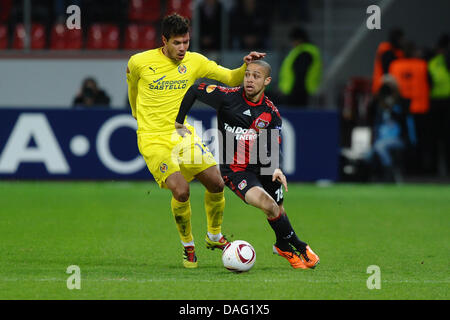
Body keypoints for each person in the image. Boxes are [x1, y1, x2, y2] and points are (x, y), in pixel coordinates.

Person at [126, 13, 265, 269]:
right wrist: (136, 113)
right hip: (153, 139)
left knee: (217, 183)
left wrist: (245, 66)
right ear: (164, 41)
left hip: (182, 134)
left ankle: (213, 236)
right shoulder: (139, 62)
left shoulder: (195, 62)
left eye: (186, 42)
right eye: (177, 43)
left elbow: (231, 78)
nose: (182, 48)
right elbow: (132, 87)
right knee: (181, 190)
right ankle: (188, 246)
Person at [175, 60, 320, 269]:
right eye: (247, 75)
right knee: (269, 206)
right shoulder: (227, 97)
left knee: (278, 209)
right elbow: (195, 89)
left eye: (256, 76)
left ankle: (283, 246)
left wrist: (276, 167)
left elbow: (273, 142)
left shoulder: (270, 112)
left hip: (262, 164)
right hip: (235, 171)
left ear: (267, 81)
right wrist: (179, 122)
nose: (250, 80)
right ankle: (298, 244)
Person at [389, 42, 432, 174]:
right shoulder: (422, 65)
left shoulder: (395, 66)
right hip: (421, 109)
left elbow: (391, 86)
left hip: (401, 109)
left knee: (403, 139)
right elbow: (431, 83)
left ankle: (406, 169)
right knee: (423, 141)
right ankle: (423, 169)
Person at [366, 75, 411, 182]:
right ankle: (374, 177)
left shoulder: (401, 102)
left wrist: (393, 107)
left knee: (380, 146)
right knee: (368, 154)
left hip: (397, 138)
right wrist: (378, 97)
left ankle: (390, 172)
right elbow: (370, 114)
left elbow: (404, 120)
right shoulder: (379, 103)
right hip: (381, 138)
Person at [277, 27, 321, 107]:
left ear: (299, 40)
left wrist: (294, 94)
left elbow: (300, 74)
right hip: (300, 93)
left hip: (298, 95)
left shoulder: (305, 53)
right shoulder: (303, 51)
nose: (292, 44)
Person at [428, 34, 450, 176]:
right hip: (442, 103)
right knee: (443, 138)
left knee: (436, 139)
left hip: (436, 102)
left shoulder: (432, 63)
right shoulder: (436, 62)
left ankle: (435, 170)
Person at [372, 28, 405, 94]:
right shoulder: (388, 52)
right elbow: (387, 72)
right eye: (401, 39)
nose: (403, 41)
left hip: (383, 86)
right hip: (384, 88)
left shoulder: (392, 51)